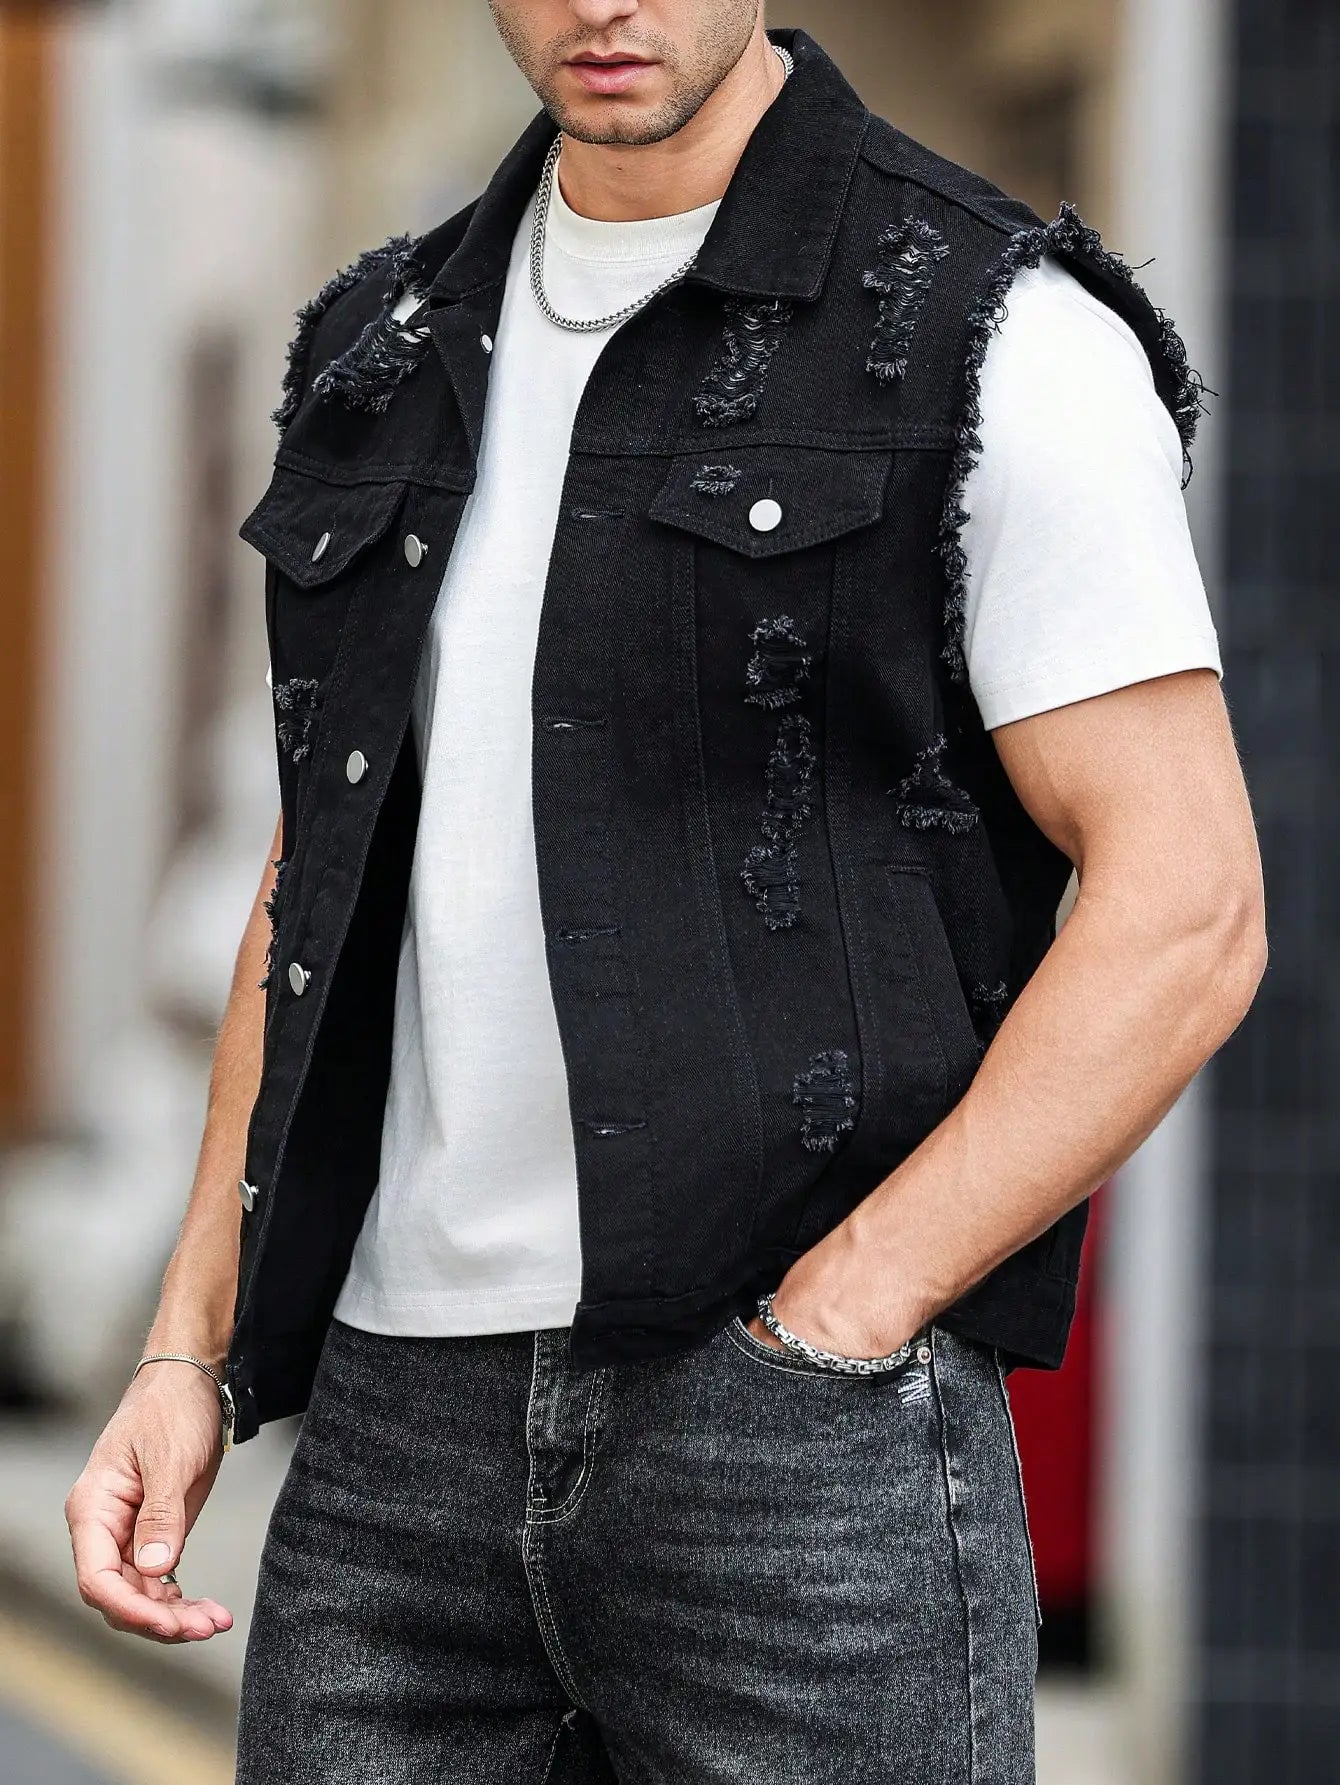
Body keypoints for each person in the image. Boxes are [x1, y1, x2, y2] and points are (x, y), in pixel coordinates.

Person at [65, 10, 1265, 1781]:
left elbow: (1187, 906)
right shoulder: (381, 349)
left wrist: (839, 1322)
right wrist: (190, 1344)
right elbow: (317, 874)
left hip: (793, 1436)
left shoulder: (996, 331)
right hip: (393, 1441)